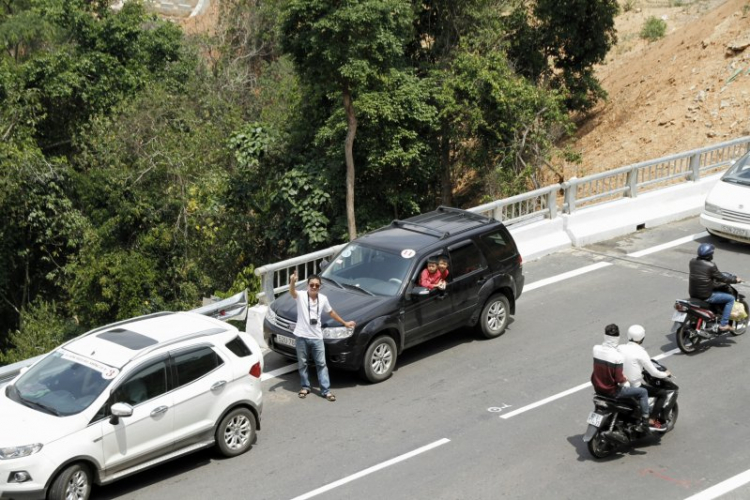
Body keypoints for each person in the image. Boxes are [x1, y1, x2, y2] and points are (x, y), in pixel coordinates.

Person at [289, 272, 355, 402]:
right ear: (307, 285)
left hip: (317, 337)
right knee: (303, 363)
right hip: (301, 336)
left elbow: (331, 312)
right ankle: (305, 387)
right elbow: (292, 292)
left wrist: (345, 323)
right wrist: (292, 281)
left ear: (320, 287)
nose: (314, 287)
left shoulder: (323, 299)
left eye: (316, 285)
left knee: (321, 364)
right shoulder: (301, 296)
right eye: (311, 285)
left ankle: (326, 391)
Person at [591, 324, 651, 433]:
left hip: (597, 389)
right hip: (612, 392)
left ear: (605, 336)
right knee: (642, 392)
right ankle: (645, 423)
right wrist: (625, 380)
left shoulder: (596, 349)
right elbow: (619, 378)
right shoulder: (617, 356)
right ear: (617, 338)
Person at [619, 325, 671, 429]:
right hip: (635, 386)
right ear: (642, 338)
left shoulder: (620, 348)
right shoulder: (641, 353)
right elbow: (654, 373)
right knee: (662, 394)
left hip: (620, 384)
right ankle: (652, 419)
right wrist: (665, 374)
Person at [688, 243, 743, 332]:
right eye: (712, 253)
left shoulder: (692, 262)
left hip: (693, 293)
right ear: (709, 255)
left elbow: (702, 275)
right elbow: (722, 278)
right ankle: (724, 324)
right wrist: (735, 280)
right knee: (731, 299)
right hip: (706, 295)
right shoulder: (711, 266)